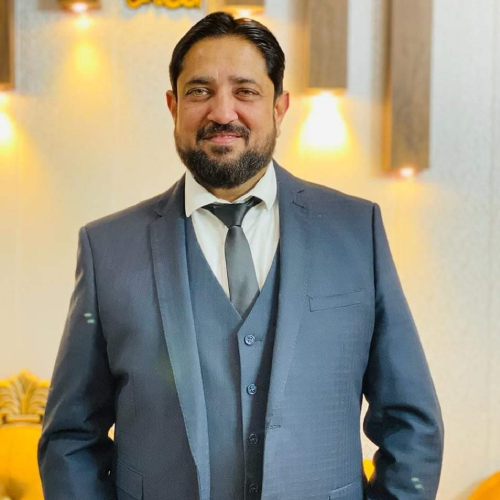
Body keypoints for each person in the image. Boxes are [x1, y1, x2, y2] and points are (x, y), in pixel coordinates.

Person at [38, 11, 444, 500]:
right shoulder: (107, 248)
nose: (222, 112)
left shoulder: (357, 231)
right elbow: (71, 438)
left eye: (245, 91)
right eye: (199, 91)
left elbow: (410, 423)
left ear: (279, 107)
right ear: (173, 106)